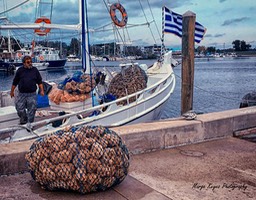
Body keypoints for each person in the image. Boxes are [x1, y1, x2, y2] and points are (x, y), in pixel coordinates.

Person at [10, 55, 44, 125]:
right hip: (22, 94)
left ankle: (29, 124)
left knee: (32, 109)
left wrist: (42, 90)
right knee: (19, 109)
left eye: (31, 62)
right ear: (24, 63)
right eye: (28, 62)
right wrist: (12, 91)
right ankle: (24, 120)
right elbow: (15, 82)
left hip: (32, 94)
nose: (30, 63)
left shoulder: (35, 70)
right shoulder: (20, 70)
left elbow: (39, 81)